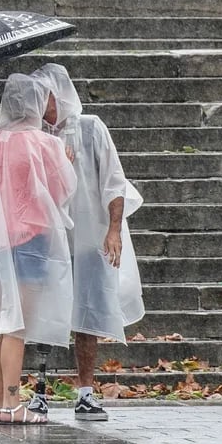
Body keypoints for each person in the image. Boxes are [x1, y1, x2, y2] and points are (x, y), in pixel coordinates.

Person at [0, 73, 77, 425]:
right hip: (29, 242)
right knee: (17, 326)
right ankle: (13, 402)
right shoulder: (44, 144)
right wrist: (64, 158)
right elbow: (61, 190)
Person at [29, 63, 146, 421]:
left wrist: (113, 229)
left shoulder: (90, 129)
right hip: (50, 237)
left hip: (87, 236)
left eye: (44, 96)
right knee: (43, 313)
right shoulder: (31, 134)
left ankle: (85, 391)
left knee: (88, 313)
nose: (40, 103)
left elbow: (114, 181)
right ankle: (40, 389)